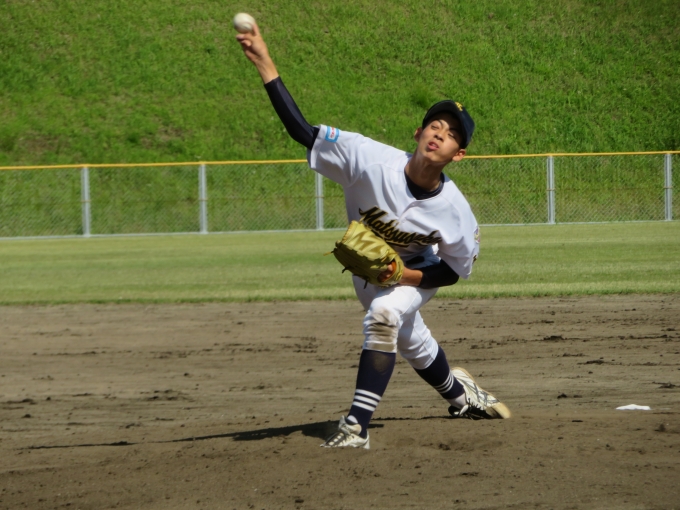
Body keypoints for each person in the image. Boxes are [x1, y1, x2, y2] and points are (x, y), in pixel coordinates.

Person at [236, 21, 510, 450]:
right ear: (418, 134)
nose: (441, 133)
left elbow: (453, 271)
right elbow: (303, 132)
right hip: (366, 274)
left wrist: (404, 277)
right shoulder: (367, 159)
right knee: (410, 338)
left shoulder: (455, 210)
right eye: (435, 125)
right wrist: (265, 63)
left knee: (384, 316)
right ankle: (462, 398)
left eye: (452, 133)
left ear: (458, 154)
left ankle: (356, 427)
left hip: (416, 272)